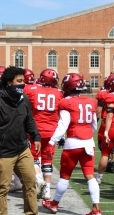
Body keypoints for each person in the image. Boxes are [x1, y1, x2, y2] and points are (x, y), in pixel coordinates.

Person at [0, 66, 41, 215]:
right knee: (2, 188)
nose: (22, 84)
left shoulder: (23, 98)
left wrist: (36, 136)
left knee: (31, 183)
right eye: (19, 81)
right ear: (8, 82)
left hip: (22, 150)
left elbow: (29, 119)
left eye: (24, 81)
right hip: (3, 153)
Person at [42, 73, 101, 215]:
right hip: (88, 142)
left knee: (65, 175)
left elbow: (63, 126)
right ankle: (96, 208)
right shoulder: (90, 101)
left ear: (68, 86)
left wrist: (51, 141)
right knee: (90, 175)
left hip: (73, 143)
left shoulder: (66, 102)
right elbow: (94, 125)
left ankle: (54, 204)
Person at [24, 68, 63, 200]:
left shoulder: (31, 90)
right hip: (52, 131)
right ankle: (47, 190)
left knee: (33, 158)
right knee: (47, 160)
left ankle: (39, 180)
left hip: (36, 130)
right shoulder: (59, 93)